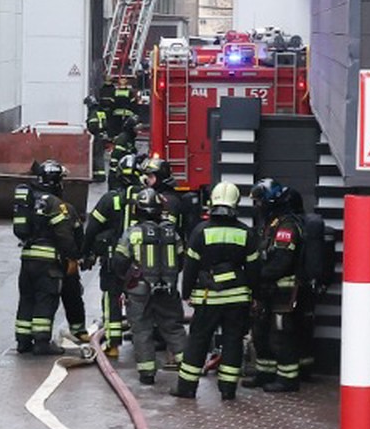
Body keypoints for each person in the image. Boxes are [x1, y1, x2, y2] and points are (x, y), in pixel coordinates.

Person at [173, 182, 259, 401]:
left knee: (198, 341)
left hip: (208, 297)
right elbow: (253, 270)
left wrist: (186, 293)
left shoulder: (200, 231)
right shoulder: (245, 233)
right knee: (232, 341)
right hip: (238, 298)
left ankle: (187, 387)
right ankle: (228, 389)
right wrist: (255, 295)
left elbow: (190, 266)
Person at [112, 187, 185, 385]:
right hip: (168, 289)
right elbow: (181, 260)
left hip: (139, 291)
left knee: (142, 330)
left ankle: (147, 373)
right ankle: (188, 369)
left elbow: (118, 261)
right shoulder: (172, 233)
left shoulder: (133, 233)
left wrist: (125, 279)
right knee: (173, 327)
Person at [10, 159, 79, 356]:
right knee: (45, 299)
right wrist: (73, 257)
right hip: (48, 262)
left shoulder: (30, 199)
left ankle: (23, 341)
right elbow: (65, 236)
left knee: (26, 299)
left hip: (27, 258)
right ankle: (41, 343)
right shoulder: (56, 205)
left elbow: (21, 230)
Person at [250, 177, 311, 393]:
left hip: (284, 291)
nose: (257, 206)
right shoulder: (270, 223)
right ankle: (264, 372)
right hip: (268, 289)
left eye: (259, 201)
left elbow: (282, 262)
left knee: (281, 334)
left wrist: (258, 276)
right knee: (260, 331)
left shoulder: (287, 225)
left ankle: (288, 379)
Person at [83, 152, 138, 358]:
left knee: (112, 296)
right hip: (142, 261)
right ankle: (143, 340)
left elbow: (92, 229)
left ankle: (113, 344)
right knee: (142, 299)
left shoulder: (110, 199)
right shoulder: (148, 197)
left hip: (113, 258)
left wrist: (85, 252)